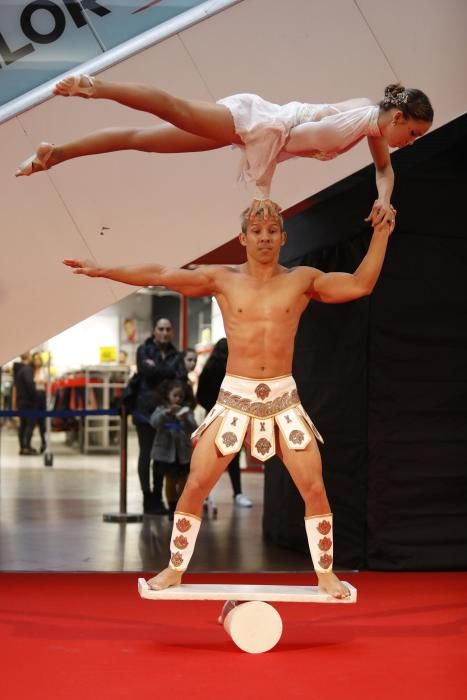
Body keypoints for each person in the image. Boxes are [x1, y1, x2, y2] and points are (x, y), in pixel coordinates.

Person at [63, 198, 396, 598]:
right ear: (243, 237)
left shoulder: (302, 279)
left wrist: (381, 234)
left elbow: (360, 284)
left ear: (283, 237)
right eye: (257, 232)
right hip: (234, 397)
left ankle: (325, 573)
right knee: (197, 483)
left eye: (272, 232)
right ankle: (174, 569)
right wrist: (103, 271)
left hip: (283, 399)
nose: (265, 238)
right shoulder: (223, 279)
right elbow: (161, 274)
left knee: (314, 487)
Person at [16, 77, 432, 225]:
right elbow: (274, 135)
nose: (410, 143)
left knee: (141, 140)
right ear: (397, 119)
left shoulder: (371, 119)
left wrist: (383, 200)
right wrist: (262, 196)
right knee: (174, 109)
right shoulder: (352, 126)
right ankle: (95, 87)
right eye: (412, 133)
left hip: (253, 127)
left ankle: (56, 154)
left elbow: (384, 171)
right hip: (254, 122)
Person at [133, 318, 187, 515]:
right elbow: (146, 372)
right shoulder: (143, 350)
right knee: (145, 454)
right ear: (154, 331)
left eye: (168, 329)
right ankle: (148, 498)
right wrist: (167, 372)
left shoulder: (176, 354)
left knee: (162, 456)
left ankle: (159, 498)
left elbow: (181, 378)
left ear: (172, 332)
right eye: (160, 329)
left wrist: (156, 368)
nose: (164, 332)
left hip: (168, 414)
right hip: (144, 412)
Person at [197, 338, 252, 508]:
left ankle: (205, 494)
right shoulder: (233, 371)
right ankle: (237, 493)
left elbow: (200, 396)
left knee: (214, 458)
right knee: (231, 457)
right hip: (229, 417)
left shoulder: (210, 369)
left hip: (219, 416)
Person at [149, 379, 197, 521]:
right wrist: (167, 413)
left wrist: (186, 419)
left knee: (182, 480)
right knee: (169, 480)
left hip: (182, 454)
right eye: (175, 395)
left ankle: (181, 506)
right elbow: (154, 422)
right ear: (168, 395)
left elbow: (194, 427)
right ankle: (171, 507)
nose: (178, 399)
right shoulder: (161, 410)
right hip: (166, 454)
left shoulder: (187, 411)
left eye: (180, 396)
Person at [14, 352, 37, 455]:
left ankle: (23, 447)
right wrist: (35, 396)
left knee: (23, 425)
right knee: (29, 424)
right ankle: (26, 447)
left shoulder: (18, 369)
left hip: (21, 401)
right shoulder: (27, 369)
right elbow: (29, 384)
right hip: (28, 401)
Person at [31, 351, 47, 453]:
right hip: (33, 396)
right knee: (32, 421)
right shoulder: (30, 371)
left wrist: (39, 382)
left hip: (42, 396)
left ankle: (43, 443)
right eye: (35, 359)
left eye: (38, 359)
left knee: (42, 423)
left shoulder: (44, 371)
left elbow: (46, 381)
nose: (37, 361)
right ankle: (28, 444)